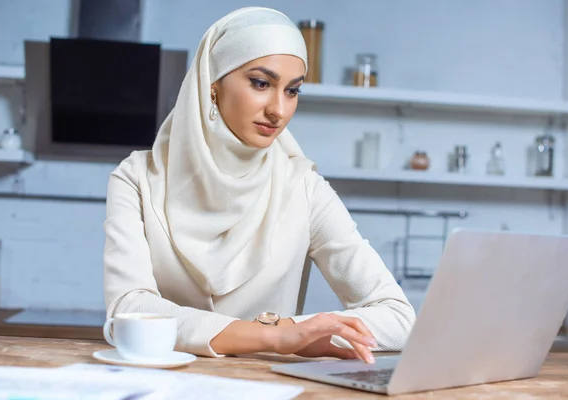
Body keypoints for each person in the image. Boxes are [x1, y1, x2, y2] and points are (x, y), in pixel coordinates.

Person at [103, 6, 415, 364]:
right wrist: (276, 337)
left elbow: (400, 320)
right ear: (213, 84)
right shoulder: (137, 178)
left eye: (292, 90)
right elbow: (128, 306)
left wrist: (287, 330)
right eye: (261, 83)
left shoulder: (304, 188)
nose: (278, 110)